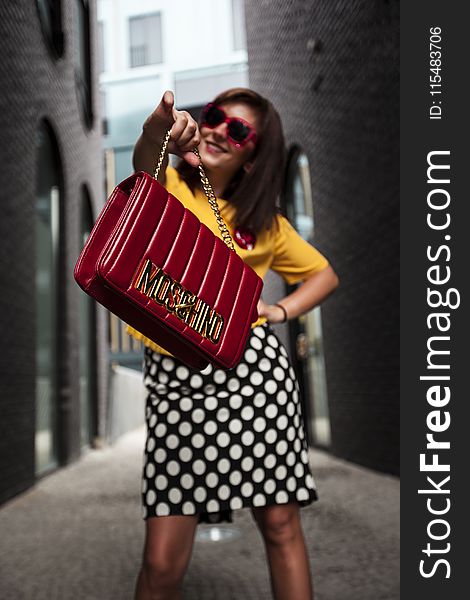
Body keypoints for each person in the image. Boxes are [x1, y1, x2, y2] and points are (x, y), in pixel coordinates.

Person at [129, 88, 339, 600]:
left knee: (281, 524)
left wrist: (279, 310)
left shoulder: (264, 222)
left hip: (256, 376)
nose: (223, 129)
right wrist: (159, 130)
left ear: (253, 154)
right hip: (177, 377)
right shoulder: (171, 185)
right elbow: (141, 171)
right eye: (217, 117)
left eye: (240, 129)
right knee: (161, 558)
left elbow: (324, 275)